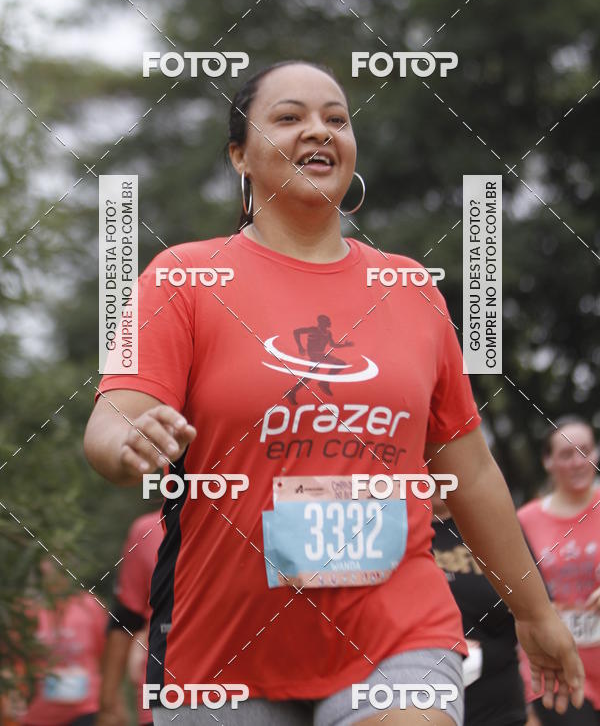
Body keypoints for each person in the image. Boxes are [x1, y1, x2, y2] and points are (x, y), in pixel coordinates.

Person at [84, 60, 584, 726]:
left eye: (337, 119)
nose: (318, 130)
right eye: (289, 117)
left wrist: (535, 612)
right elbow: (113, 419)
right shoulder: (183, 277)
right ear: (239, 154)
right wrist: (129, 444)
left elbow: (470, 471)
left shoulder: (410, 289)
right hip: (222, 650)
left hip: (396, 629)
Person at [518, 416, 600, 725]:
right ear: (547, 461)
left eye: (586, 450)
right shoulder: (524, 520)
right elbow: (512, 592)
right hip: (557, 671)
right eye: (566, 454)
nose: (578, 462)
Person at [431, 486, 527, 724]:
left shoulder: (491, 527)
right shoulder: (397, 531)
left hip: (501, 703)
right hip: (428, 703)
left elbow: (534, 607)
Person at [97, 510, 164, 726]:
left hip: (241, 694)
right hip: (162, 695)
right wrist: (107, 705)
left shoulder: (256, 518)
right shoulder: (147, 530)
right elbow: (125, 618)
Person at [20, 561, 107, 726]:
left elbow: (106, 656)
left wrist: (111, 703)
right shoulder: (27, 610)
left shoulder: (90, 605)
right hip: (38, 714)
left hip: (85, 709)